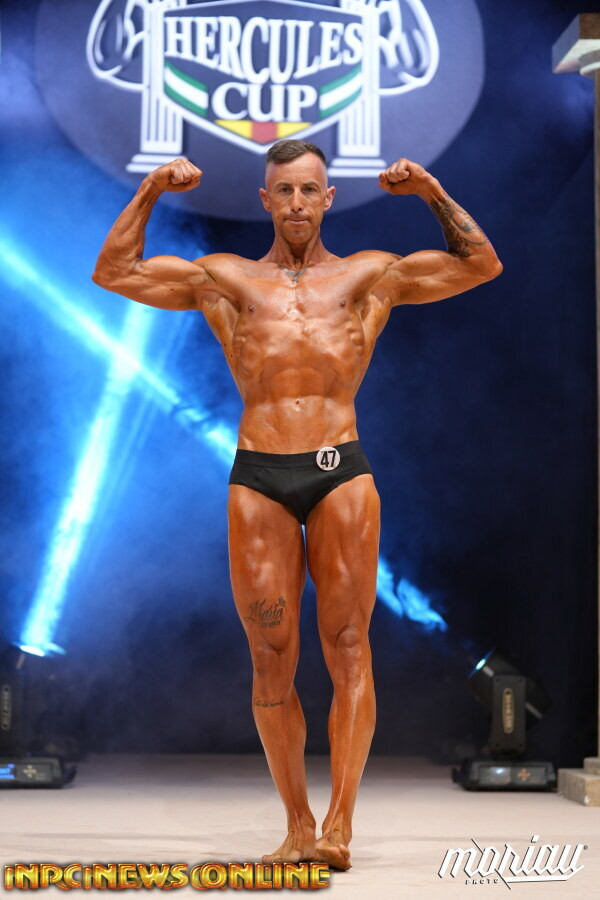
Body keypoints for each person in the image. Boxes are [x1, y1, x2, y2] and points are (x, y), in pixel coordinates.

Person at [92, 140, 502, 870]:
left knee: (348, 645)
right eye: (283, 191)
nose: (297, 204)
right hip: (259, 476)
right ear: (265, 200)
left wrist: (431, 192)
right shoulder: (226, 279)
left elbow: (480, 265)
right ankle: (297, 826)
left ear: (328, 198)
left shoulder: (368, 276)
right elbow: (114, 271)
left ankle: (340, 824)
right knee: (270, 657)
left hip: (340, 469)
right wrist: (152, 187)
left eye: (309, 189)